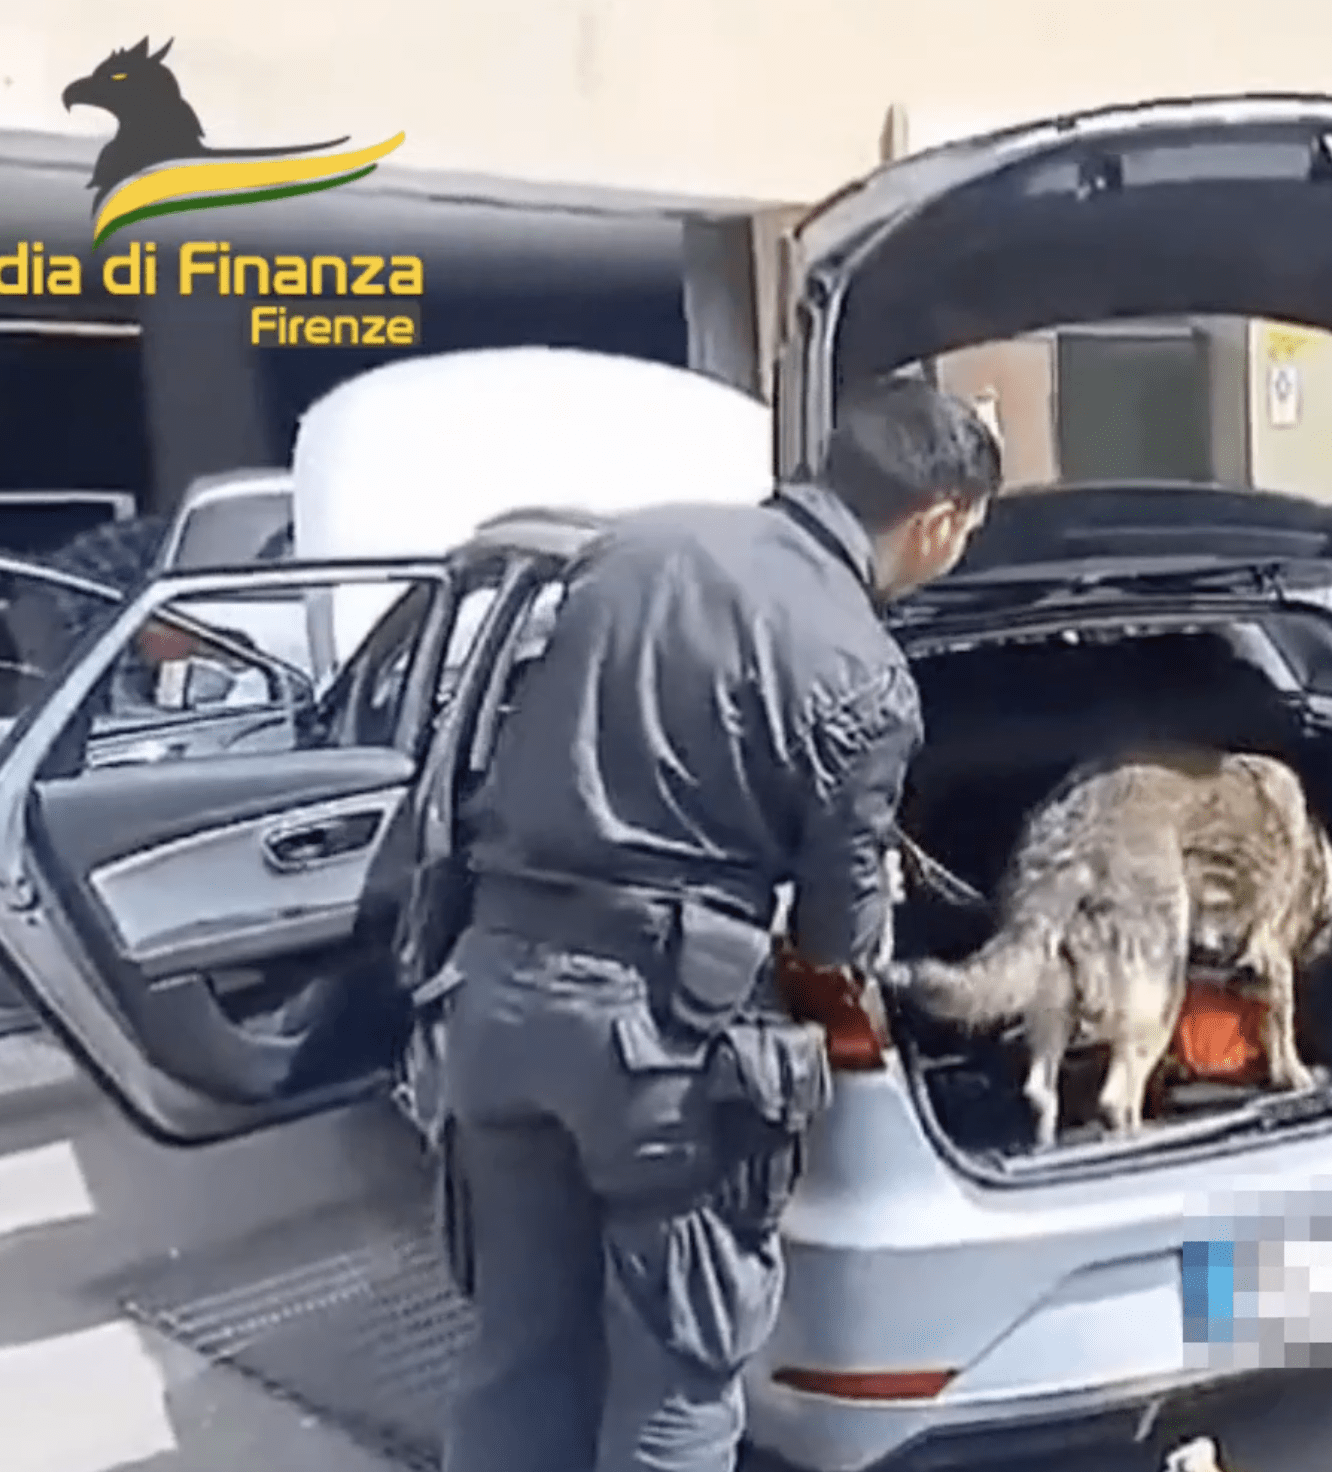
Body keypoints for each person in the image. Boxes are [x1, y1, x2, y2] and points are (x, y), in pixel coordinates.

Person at [410, 376, 1002, 1472]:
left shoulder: (630, 550)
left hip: (496, 1006)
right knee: (675, 1384)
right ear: (938, 519)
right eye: (969, 532)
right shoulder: (862, 669)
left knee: (518, 1355)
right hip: (655, 1054)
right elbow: (835, 942)